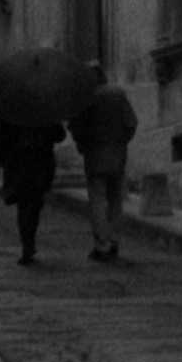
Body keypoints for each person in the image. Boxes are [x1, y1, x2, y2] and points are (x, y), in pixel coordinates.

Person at [68, 66, 137, 262]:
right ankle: (113, 240)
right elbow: (131, 123)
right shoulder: (118, 95)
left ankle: (102, 243)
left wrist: (82, 145)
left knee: (97, 199)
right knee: (115, 198)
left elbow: (75, 127)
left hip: (94, 157)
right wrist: (121, 142)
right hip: (117, 156)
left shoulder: (84, 99)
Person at [0, 118, 65, 265]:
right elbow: (59, 135)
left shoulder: (11, 113)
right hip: (41, 165)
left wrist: (4, 161)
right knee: (35, 204)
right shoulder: (44, 113)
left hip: (18, 166)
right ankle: (29, 242)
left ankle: (27, 244)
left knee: (23, 206)